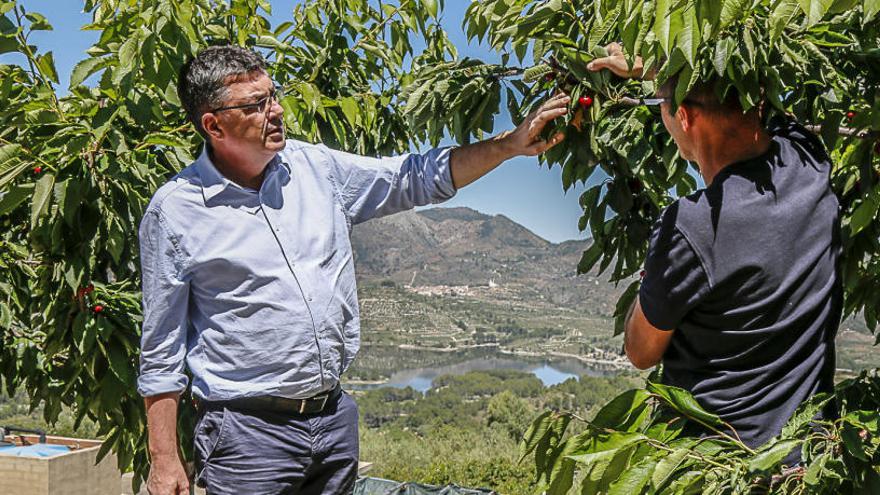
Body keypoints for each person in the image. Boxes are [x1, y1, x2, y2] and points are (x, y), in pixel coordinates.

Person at [137, 45, 570, 495]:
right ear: (213, 124)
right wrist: (165, 460)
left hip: (333, 419)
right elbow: (162, 351)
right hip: (248, 437)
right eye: (256, 104)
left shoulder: (315, 169)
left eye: (273, 95)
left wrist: (508, 146)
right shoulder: (176, 212)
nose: (277, 110)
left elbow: (412, 177)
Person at [589, 44, 841, 459]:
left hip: (719, 465)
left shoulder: (691, 228)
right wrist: (656, 71)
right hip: (808, 460)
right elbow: (768, 111)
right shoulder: (809, 160)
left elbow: (640, 350)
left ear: (684, 118)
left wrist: (652, 279)